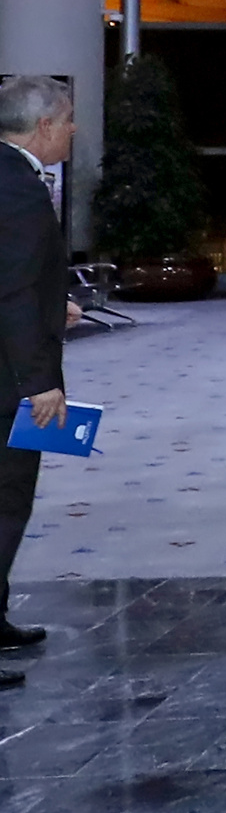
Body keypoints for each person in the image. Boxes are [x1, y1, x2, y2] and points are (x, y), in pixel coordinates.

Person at [0, 75, 76, 690]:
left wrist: (61, 307)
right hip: (9, 379)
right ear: (44, 126)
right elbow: (15, 289)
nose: (74, 130)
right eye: (69, 120)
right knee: (6, 504)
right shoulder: (20, 188)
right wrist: (40, 382)